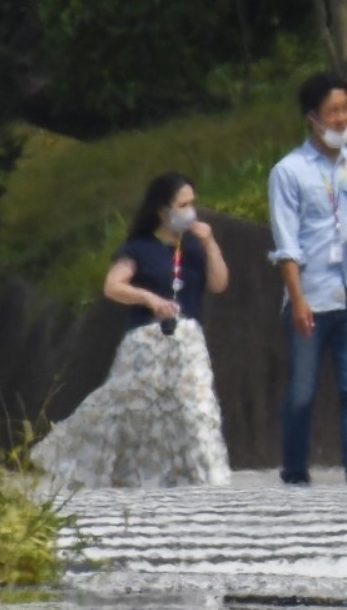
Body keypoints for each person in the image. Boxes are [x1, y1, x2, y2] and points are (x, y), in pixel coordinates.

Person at [31, 172, 231, 488]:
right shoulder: (138, 248)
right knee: (131, 406)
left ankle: (206, 476)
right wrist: (149, 298)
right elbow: (113, 286)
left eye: (193, 203)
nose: (191, 210)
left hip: (188, 339)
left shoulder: (194, 247)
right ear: (163, 211)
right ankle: (93, 462)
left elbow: (219, 283)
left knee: (198, 409)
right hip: (147, 340)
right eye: (184, 204)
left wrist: (209, 242)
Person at [268, 72, 347, 485]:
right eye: (333, 111)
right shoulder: (289, 171)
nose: (341, 119)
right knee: (302, 391)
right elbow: (286, 242)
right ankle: (296, 472)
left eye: (346, 109)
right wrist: (297, 298)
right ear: (312, 118)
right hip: (312, 293)